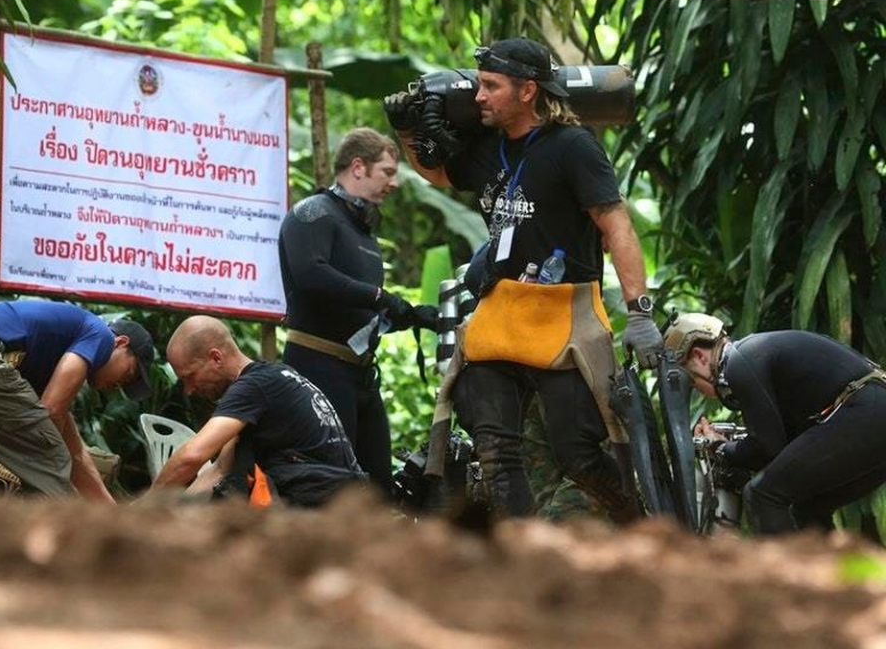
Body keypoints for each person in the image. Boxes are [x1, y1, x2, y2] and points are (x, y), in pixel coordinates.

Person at [383, 37, 664, 520]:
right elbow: (441, 175)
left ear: (528, 90)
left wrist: (639, 312)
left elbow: (616, 224)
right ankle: (520, 553)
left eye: (491, 87)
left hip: (563, 317)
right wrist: (409, 131)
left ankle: (640, 524)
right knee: (494, 452)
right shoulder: (489, 148)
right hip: (502, 313)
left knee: (578, 458)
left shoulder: (573, 147)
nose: (479, 97)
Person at [277, 127, 438, 494]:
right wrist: (380, 296)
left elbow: (358, 305)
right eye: (388, 172)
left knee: (379, 482)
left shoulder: (360, 229)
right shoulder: (314, 213)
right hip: (318, 365)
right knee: (333, 481)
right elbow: (311, 276)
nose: (394, 183)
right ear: (358, 167)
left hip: (360, 372)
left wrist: (410, 314)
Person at [665, 312, 886, 535]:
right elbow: (784, 447)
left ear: (700, 356)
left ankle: (784, 570)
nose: (698, 390)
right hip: (872, 412)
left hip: (865, 412)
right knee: (808, 506)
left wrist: (718, 447)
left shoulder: (739, 363)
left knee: (763, 495)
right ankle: (827, 569)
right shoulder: (750, 355)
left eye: (692, 380)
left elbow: (766, 448)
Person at [0, 299, 154, 503]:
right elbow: (52, 411)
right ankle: (67, 544)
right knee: (52, 462)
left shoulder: (47, 352)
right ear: (121, 343)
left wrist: (107, 507)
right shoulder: (100, 334)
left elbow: (69, 440)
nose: (121, 384)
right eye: (129, 373)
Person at [151, 315, 366, 507]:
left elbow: (192, 456)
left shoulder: (253, 387)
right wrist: (174, 514)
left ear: (216, 358)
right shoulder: (272, 378)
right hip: (342, 498)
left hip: (325, 509)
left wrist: (144, 506)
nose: (188, 390)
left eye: (190, 376)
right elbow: (219, 470)